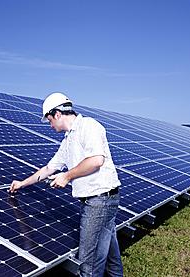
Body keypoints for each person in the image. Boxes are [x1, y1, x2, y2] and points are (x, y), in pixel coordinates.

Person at [9, 92, 123, 277]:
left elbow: (96, 160)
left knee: (89, 265)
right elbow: (48, 168)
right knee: (111, 257)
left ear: (57, 114)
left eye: (49, 120)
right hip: (98, 201)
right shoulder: (68, 140)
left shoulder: (89, 126)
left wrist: (67, 176)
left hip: (99, 201)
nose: (49, 124)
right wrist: (22, 183)